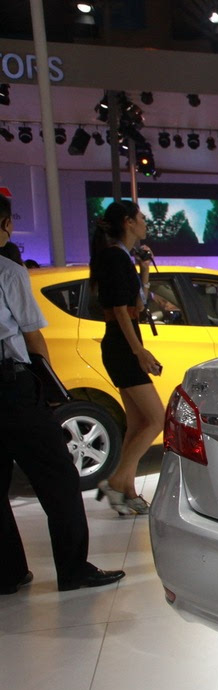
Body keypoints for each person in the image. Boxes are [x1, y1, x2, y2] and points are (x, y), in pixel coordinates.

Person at [0, 194, 125, 593]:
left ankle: (8, 573)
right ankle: (73, 570)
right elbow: (32, 336)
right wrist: (49, 387)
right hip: (11, 388)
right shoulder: (8, 271)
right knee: (59, 479)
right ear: (5, 225)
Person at [89, 200, 164, 515]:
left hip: (121, 345)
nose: (145, 222)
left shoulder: (121, 257)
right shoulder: (114, 257)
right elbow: (120, 310)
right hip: (122, 347)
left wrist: (144, 271)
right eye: (141, 217)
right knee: (157, 419)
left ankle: (128, 490)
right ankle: (116, 481)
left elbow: (137, 304)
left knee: (138, 423)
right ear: (128, 222)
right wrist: (138, 351)